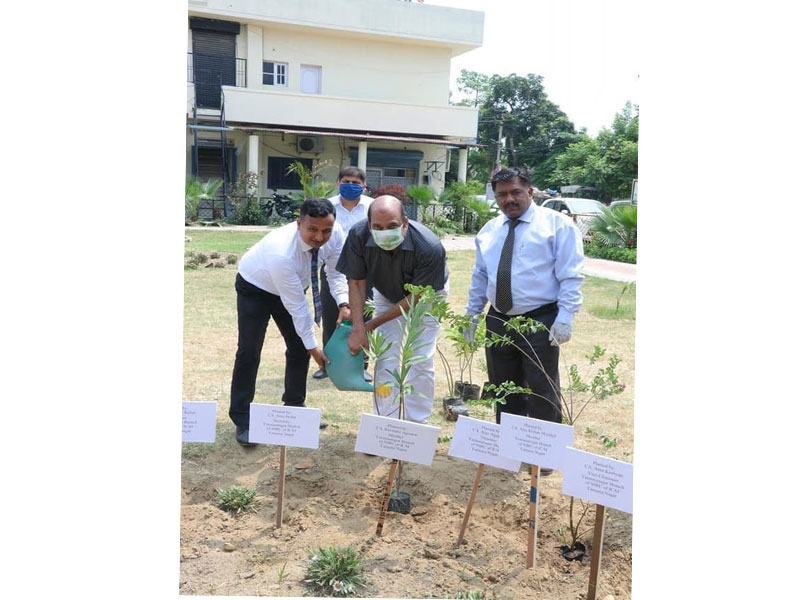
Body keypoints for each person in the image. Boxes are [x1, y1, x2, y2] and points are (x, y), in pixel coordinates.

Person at [465, 167, 584, 472]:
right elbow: (480, 276)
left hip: (540, 317)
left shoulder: (556, 226)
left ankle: (544, 456)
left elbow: (571, 275)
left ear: (530, 191)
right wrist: (472, 314)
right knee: (503, 385)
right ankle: (511, 448)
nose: (509, 200)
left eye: (515, 192)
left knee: (540, 386)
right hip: (499, 317)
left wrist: (566, 316)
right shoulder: (490, 230)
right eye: (501, 194)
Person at [230, 198, 350, 446]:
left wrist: (343, 303)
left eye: (325, 230)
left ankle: (294, 408)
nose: (319, 237)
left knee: (298, 348)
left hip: (293, 285)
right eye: (312, 229)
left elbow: (335, 272)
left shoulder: (336, 233)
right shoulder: (281, 253)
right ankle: (243, 419)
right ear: (299, 224)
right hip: (256, 286)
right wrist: (314, 347)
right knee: (249, 351)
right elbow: (297, 307)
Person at [336, 195, 448, 424]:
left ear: (405, 223)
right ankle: (385, 422)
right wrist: (358, 327)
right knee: (386, 356)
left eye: (392, 226)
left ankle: (416, 423)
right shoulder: (358, 236)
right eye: (378, 227)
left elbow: (416, 297)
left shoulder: (429, 246)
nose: (385, 232)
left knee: (420, 358)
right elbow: (356, 283)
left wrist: (370, 325)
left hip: (426, 297)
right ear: (369, 225)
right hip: (386, 293)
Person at [313, 166, 374, 381]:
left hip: (364, 272)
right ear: (338, 183)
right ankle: (329, 365)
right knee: (332, 317)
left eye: (356, 183)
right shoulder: (328, 206)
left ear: (364, 186)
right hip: (333, 269)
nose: (351, 186)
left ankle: (361, 366)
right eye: (346, 181)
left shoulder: (372, 207)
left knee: (364, 318)